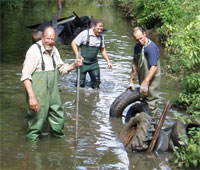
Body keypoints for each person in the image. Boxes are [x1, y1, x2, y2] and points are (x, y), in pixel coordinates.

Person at [21, 26, 83, 141]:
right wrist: (32, 97)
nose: (50, 41)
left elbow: (61, 68)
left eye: (53, 39)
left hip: (53, 93)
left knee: (58, 120)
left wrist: (74, 65)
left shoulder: (54, 50)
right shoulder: (34, 51)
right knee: (36, 123)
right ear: (42, 38)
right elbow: (25, 76)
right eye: (48, 38)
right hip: (38, 93)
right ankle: (32, 150)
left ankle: (57, 147)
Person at [129, 27, 161, 116]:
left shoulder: (151, 48)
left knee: (151, 102)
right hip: (142, 76)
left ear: (144, 34)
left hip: (152, 78)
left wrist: (146, 81)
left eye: (141, 38)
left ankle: (153, 125)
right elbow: (135, 63)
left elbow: (154, 67)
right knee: (143, 99)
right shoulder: (137, 47)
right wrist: (132, 80)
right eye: (137, 39)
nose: (140, 41)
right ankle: (142, 120)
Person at [71, 20, 112, 89]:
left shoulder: (101, 37)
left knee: (96, 84)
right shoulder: (84, 34)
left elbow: (102, 50)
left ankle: (94, 98)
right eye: (98, 29)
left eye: (101, 29)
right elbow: (73, 43)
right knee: (80, 85)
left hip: (94, 64)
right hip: (82, 63)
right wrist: (77, 55)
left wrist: (108, 61)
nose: (99, 31)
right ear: (93, 26)